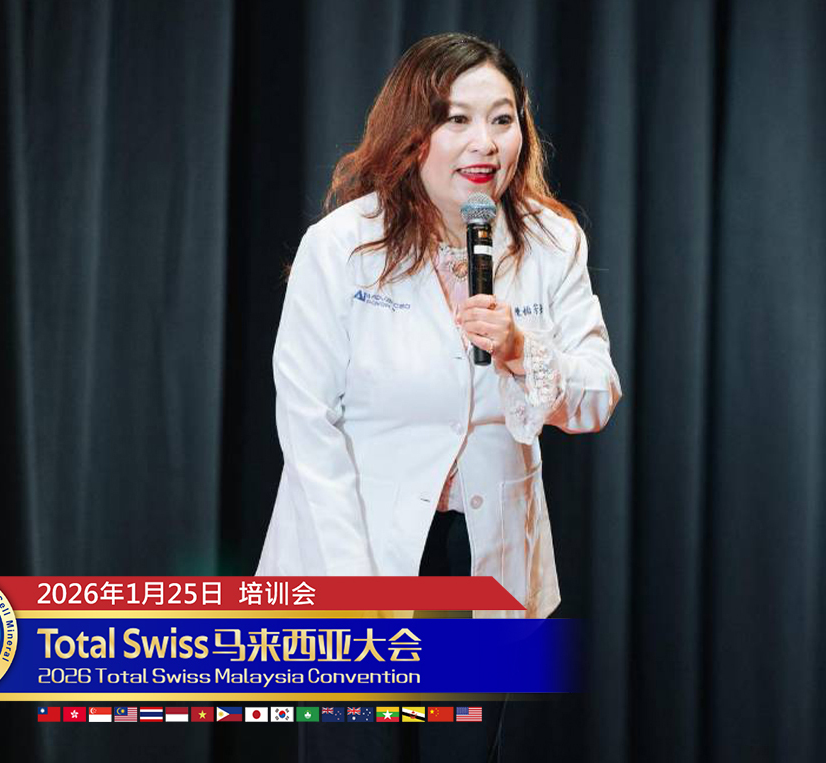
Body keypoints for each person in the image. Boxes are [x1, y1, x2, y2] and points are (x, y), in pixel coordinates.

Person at [256, 32, 621, 760]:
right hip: (354, 547)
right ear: (413, 132)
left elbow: (595, 397)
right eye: (457, 119)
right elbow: (307, 424)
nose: (484, 142)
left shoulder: (553, 242)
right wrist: (354, 592)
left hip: (480, 555)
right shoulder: (342, 244)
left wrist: (520, 348)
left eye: (502, 118)